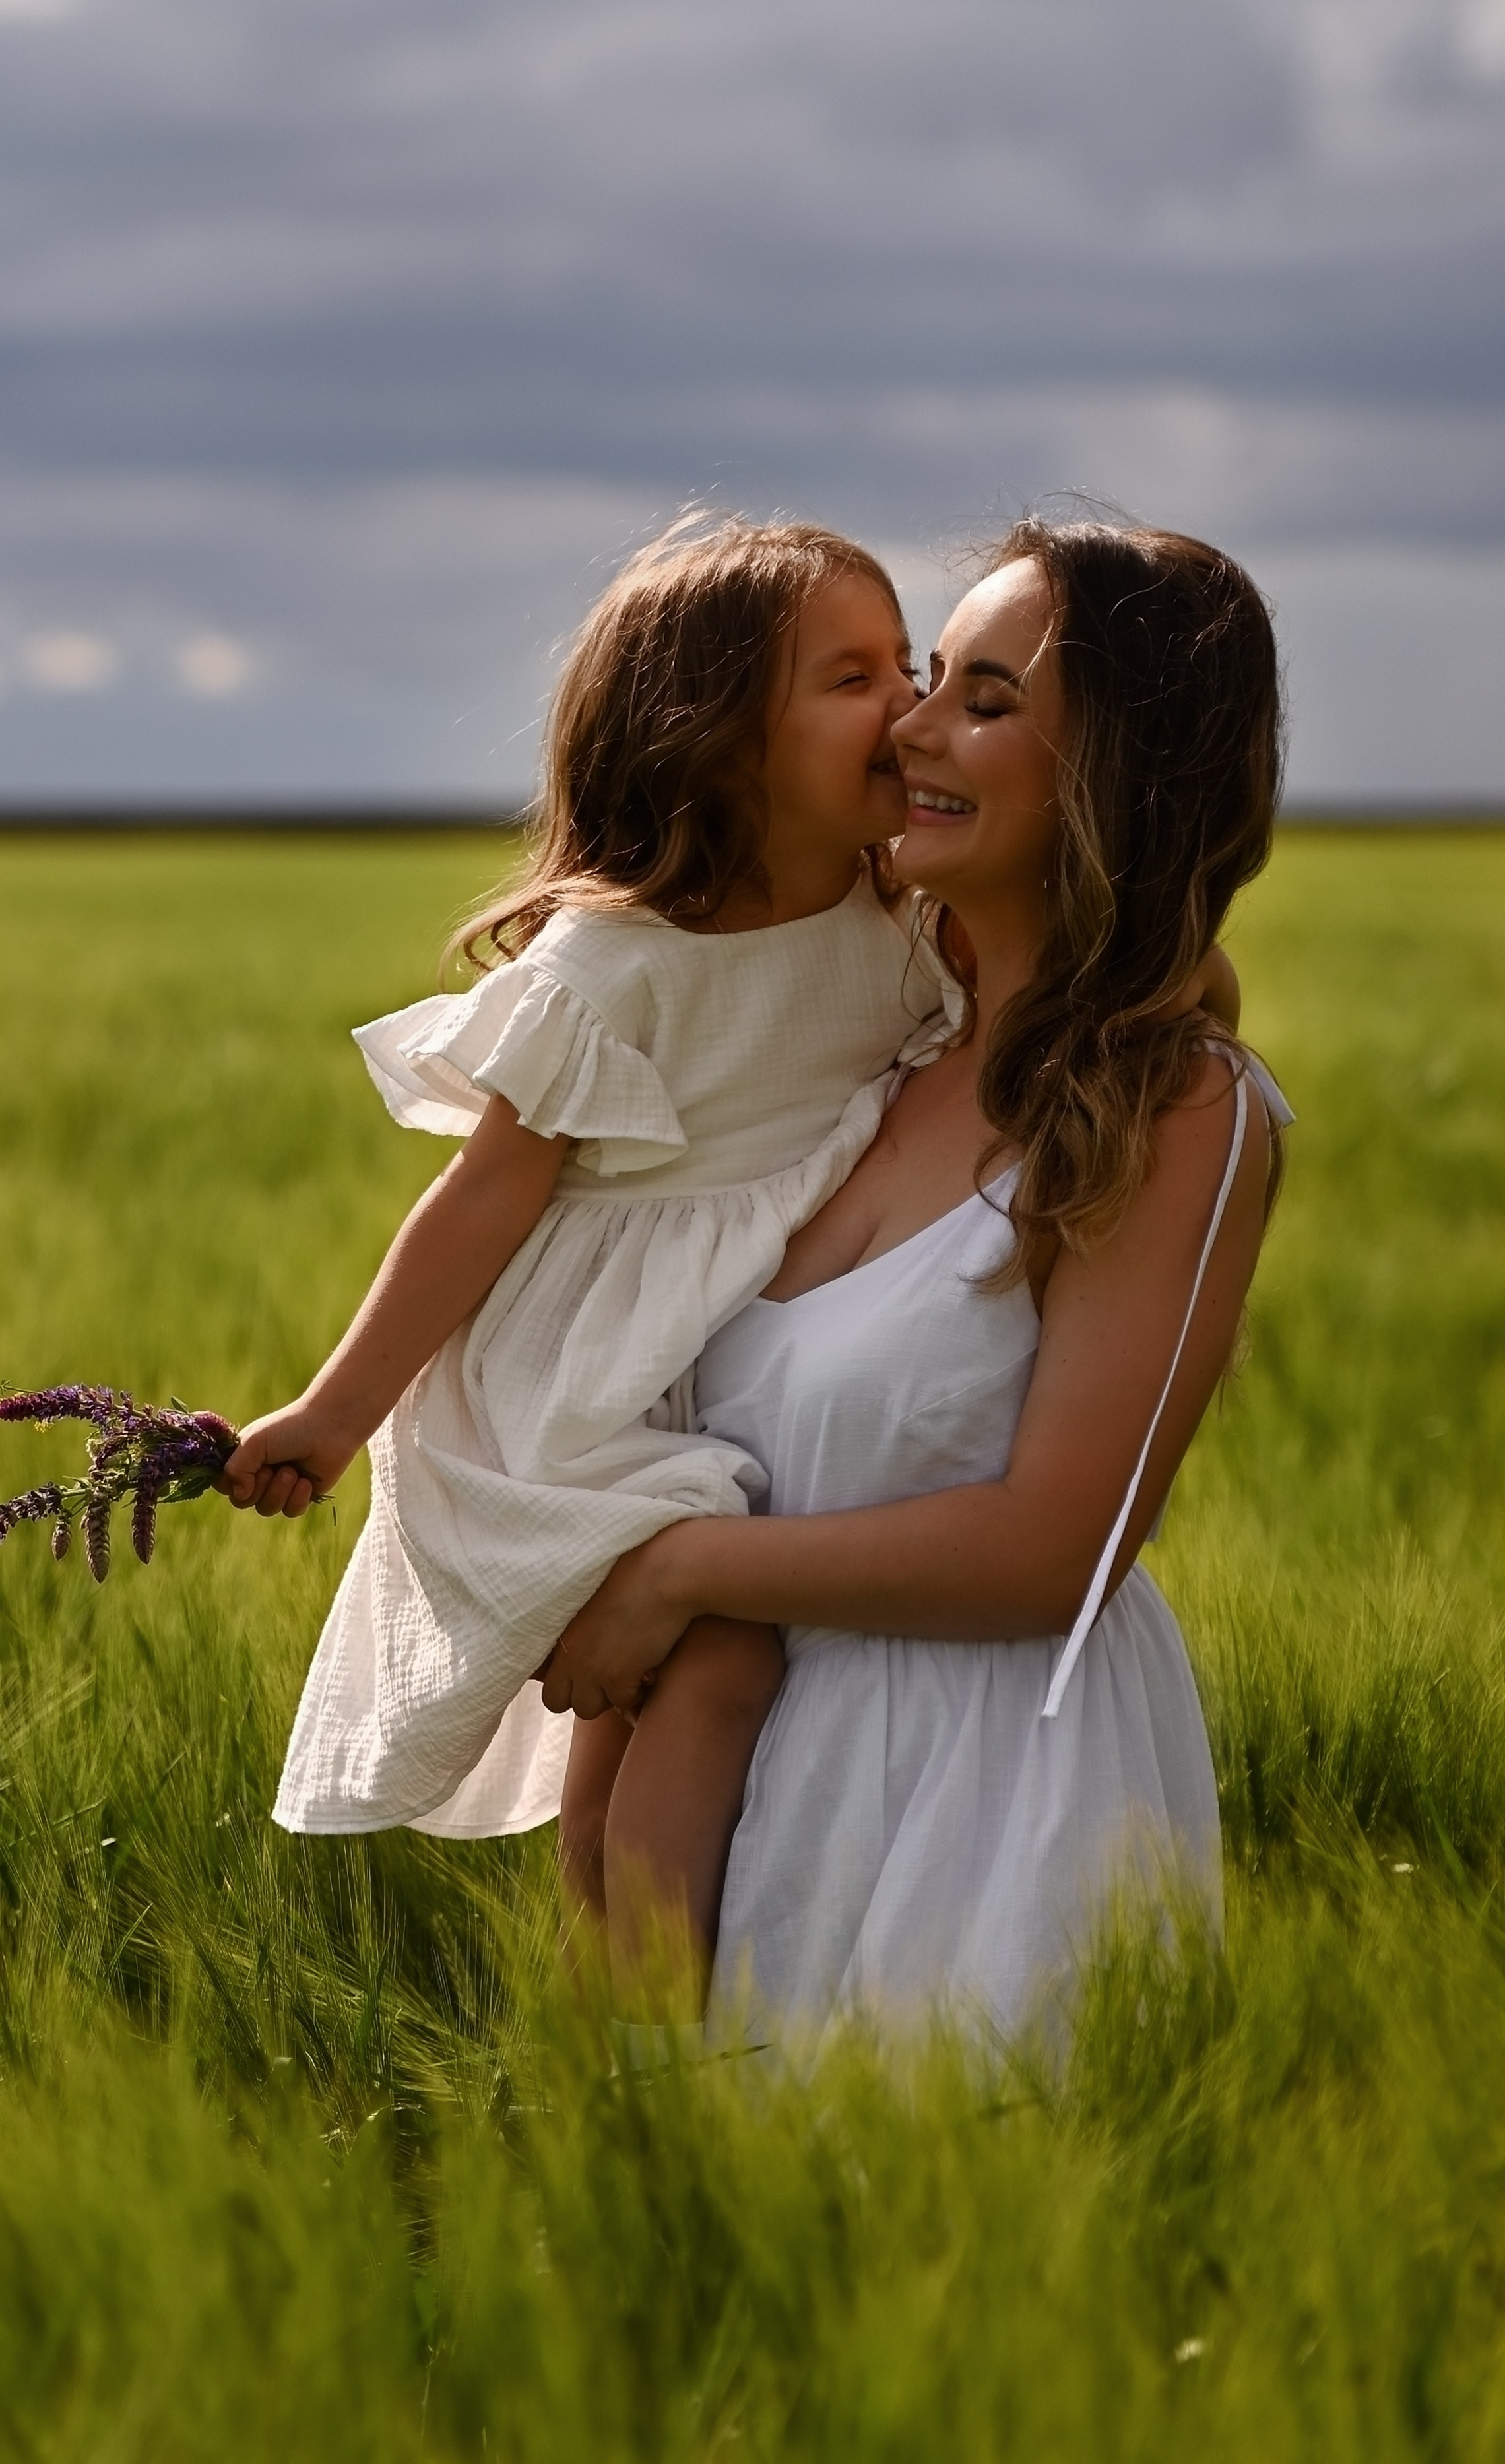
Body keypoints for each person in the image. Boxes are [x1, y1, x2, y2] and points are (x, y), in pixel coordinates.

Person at [540, 517, 1291, 2048]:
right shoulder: (854, 1049)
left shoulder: (1174, 1107)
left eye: (987, 700)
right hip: (737, 1791)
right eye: (929, 677)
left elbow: (1051, 1548)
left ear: (1119, 775)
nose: (912, 725)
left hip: (979, 1815)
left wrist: (678, 1573)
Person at [219, 516, 959, 1934]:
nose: (910, 708)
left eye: (910, 664)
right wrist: (335, 1409)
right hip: (588, 1377)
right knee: (718, 1652)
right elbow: (481, 1197)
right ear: (716, 740)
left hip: (738, 1344)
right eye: (852, 678)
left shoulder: (903, 918)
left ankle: (613, 2022)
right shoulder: (616, 962)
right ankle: (643, 2020)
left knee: (633, 1706)